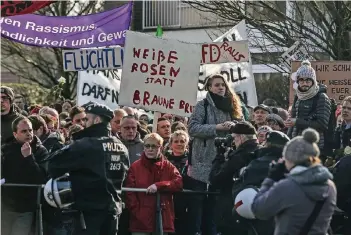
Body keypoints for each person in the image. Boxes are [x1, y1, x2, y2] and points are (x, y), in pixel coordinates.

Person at [48, 102, 130, 235]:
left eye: (86, 119)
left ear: (97, 120)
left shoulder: (86, 145)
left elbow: (53, 164)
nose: (83, 123)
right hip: (113, 212)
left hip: (89, 213)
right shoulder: (121, 146)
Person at [252, 128, 336, 235]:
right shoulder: (330, 186)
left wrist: (271, 179)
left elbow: (259, 210)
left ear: (290, 158)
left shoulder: (288, 186)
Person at [187, 74, 243, 235]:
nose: (220, 87)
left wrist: (234, 126)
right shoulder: (202, 106)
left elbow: (243, 129)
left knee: (215, 208)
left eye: (223, 85)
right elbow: (193, 128)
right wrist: (217, 127)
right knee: (198, 208)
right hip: (202, 164)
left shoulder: (233, 106)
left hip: (223, 164)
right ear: (209, 88)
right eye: (216, 85)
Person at [126, 133, 183, 235]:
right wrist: (137, 212)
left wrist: (159, 185)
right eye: (147, 146)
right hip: (140, 221)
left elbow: (178, 183)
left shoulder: (168, 166)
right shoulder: (135, 167)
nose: (150, 149)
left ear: (160, 148)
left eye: (154, 146)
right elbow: (129, 192)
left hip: (163, 217)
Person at [209, 121, 259, 235]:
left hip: (232, 212)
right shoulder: (259, 152)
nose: (232, 142)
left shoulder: (240, 156)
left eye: (233, 138)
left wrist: (219, 157)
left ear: (240, 137)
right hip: (254, 212)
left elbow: (215, 180)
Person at [1, 116, 48, 235]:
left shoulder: (40, 150)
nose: (28, 134)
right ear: (15, 134)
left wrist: (29, 158)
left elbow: (41, 178)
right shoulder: (6, 150)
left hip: (26, 207)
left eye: (30, 130)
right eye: (24, 131)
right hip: (6, 206)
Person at [286, 60, 331, 153]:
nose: (304, 83)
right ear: (298, 81)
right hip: (297, 145)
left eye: (308, 80)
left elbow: (322, 124)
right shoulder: (297, 96)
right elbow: (293, 121)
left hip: (314, 146)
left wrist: (297, 122)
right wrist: (288, 140)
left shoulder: (321, 97)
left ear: (313, 81)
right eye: (301, 80)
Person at [165, 130, 190, 235]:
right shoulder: (165, 160)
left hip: (186, 197)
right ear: (171, 144)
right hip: (169, 197)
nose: (179, 144)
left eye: (182, 141)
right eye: (176, 141)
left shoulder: (191, 159)